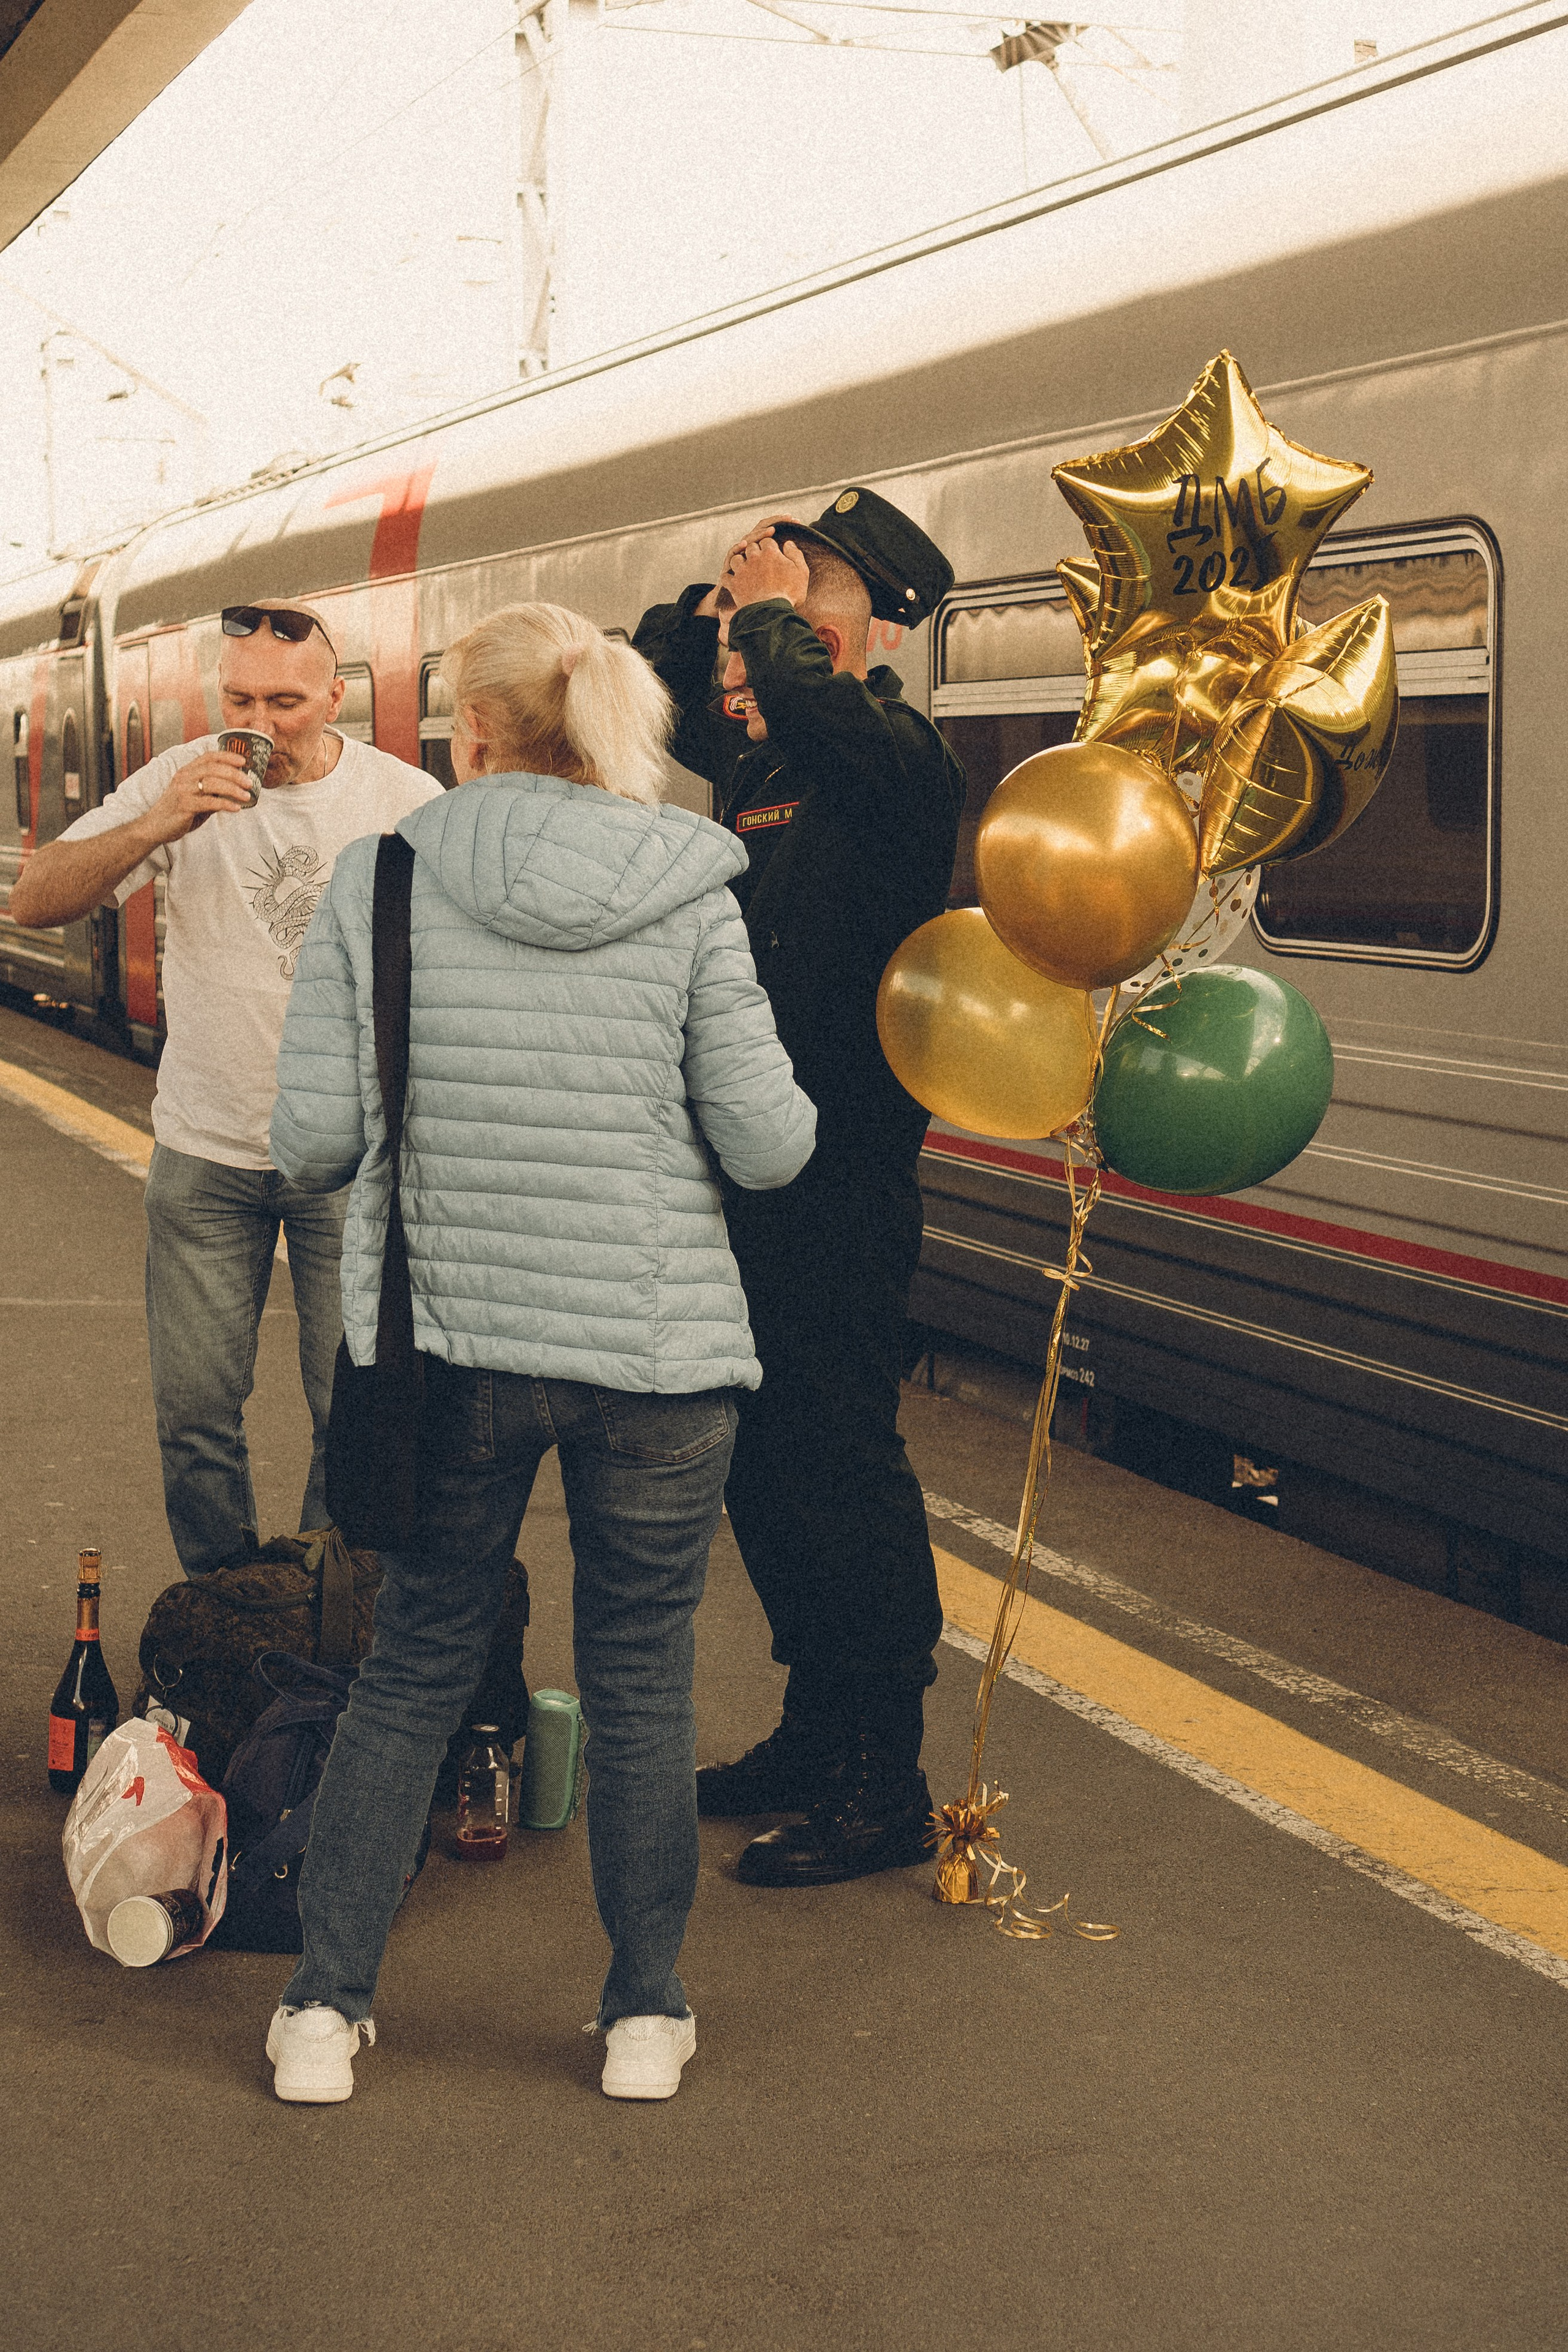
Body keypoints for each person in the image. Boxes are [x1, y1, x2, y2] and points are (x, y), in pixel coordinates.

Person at [261, 600, 815, 2105]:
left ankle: (322, 2012)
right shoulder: (693, 886)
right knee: (639, 1684)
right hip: (660, 1357)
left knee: (412, 1670)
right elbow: (768, 1147)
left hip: (453, 1353)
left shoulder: (385, 877)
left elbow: (309, 1141)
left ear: (477, 732)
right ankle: (642, 2016)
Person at [633, 488, 965, 1890]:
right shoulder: (768, 761)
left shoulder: (893, 755)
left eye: (814, 584)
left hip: (844, 1175)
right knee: (764, 1463)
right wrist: (717, 603)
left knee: (837, 1463)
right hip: (752, 1165)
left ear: (881, 622)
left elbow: (818, 708)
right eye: (772, 587)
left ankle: (882, 1778)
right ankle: (814, 1732)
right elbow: (655, 674)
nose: (773, 610)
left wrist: (773, 622)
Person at [9, 603, 441, 1578]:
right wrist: (161, 823)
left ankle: (320, 1607)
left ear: (337, 698)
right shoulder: (179, 778)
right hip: (205, 1153)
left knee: (348, 1413)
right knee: (196, 1413)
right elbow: (36, 898)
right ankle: (224, 1606)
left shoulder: (404, 798)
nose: (259, 724)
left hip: (347, 1160)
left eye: (285, 702)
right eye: (239, 700)